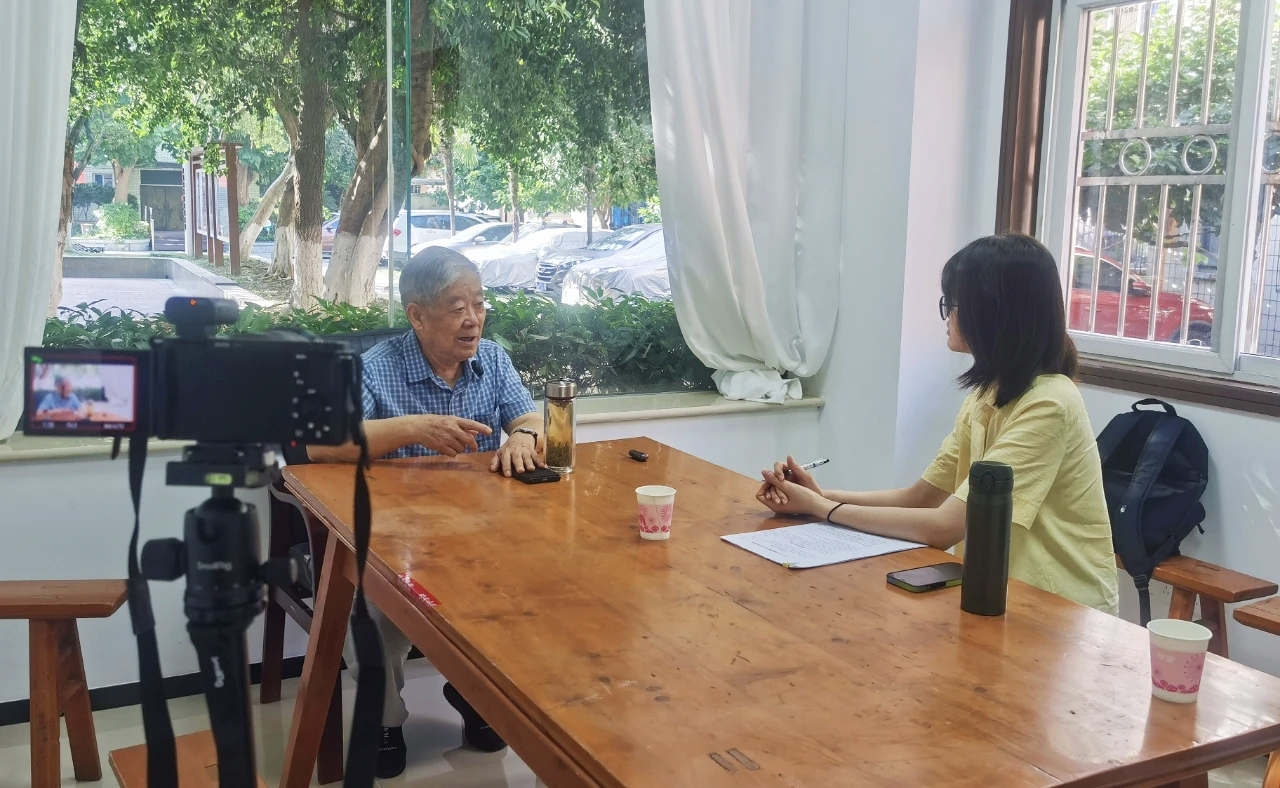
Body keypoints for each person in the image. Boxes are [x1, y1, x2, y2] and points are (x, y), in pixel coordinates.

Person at [757, 234, 1119, 614]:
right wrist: (819, 496)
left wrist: (820, 508)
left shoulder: (1050, 404)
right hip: (1000, 592)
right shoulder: (987, 396)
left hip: (1063, 608)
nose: (947, 317)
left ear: (992, 313)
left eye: (953, 303)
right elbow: (916, 499)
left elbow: (945, 527)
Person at [308, 246, 544, 777]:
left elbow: (529, 418)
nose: (473, 318)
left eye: (479, 303)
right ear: (417, 315)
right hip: (397, 534)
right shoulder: (376, 368)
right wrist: (414, 428)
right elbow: (323, 444)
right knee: (375, 608)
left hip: (478, 529)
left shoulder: (492, 361)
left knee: (524, 587)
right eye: (457, 307)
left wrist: (524, 438)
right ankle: (384, 719)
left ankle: (477, 694)